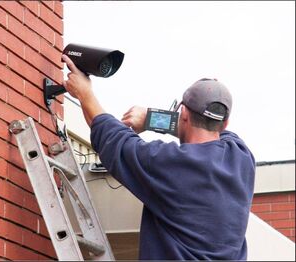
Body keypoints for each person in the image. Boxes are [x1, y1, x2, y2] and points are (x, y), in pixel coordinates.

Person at [62, 54, 255, 260]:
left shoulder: (170, 165)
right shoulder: (242, 158)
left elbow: (112, 138)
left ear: (184, 113)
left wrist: (85, 93)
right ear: (225, 124)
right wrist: (152, 119)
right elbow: (206, 129)